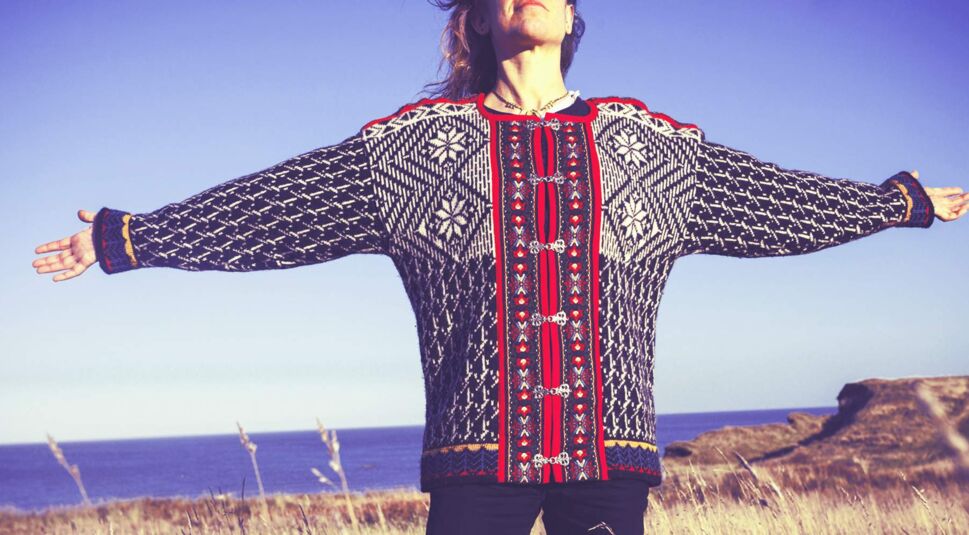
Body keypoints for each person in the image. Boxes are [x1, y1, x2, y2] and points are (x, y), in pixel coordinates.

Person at [31, 1, 968, 534]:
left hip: (608, 460)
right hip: (475, 464)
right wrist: (132, 237)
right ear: (475, 21)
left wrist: (898, 202)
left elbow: (777, 204)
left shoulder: (652, 148)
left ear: (571, 17)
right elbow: (284, 207)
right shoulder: (413, 149)